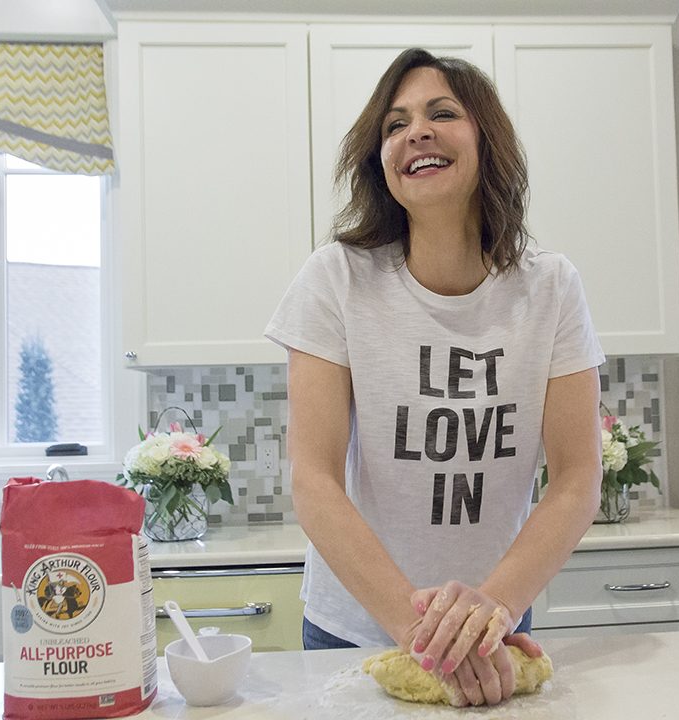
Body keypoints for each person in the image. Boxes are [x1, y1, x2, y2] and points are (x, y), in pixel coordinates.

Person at [264, 47, 603, 707]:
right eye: (394, 125)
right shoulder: (336, 279)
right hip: (357, 628)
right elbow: (315, 479)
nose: (414, 131)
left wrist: (496, 606)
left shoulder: (552, 289)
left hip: (493, 623)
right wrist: (422, 631)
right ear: (380, 160)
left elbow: (576, 478)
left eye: (441, 113)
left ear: (486, 142)